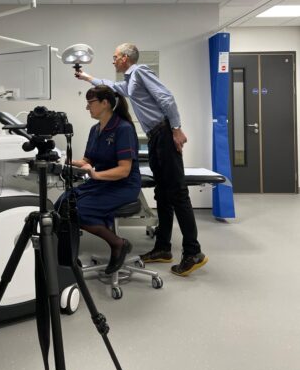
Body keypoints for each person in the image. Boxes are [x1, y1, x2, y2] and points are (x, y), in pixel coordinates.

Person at [75, 43, 208, 277]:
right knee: (163, 194)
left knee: (177, 192)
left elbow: (166, 98)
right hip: (156, 136)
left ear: (126, 58)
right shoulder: (130, 81)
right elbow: (116, 87)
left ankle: (193, 252)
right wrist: (89, 78)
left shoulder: (140, 71)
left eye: (115, 57)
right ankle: (163, 248)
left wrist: (176, 129)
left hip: (165, 133)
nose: (113, 60)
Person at [55, 85, 141, 275]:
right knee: (62, 203)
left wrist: (95, 174)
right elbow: (88, 161)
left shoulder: (123, 128)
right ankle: (66, 259)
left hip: (122, 185)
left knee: (79, 210)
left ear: (105, 103)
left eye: (90, 103)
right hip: (101, 182)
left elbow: (124, 170)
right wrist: (66, 161)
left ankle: (119, 244)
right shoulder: (95, 129)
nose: (87, 108)